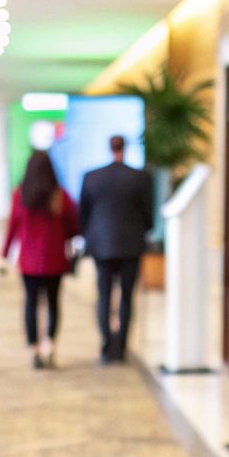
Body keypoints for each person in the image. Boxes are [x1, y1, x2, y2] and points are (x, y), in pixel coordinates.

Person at [78, 135, 154, 364]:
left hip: (102, 245)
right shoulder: (140, 178)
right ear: (125, 148)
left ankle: (106, 346)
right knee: (126, 297)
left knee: (104, 296)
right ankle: (120, 348)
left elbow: (83, 214)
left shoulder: (92, 177)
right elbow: (148, 216)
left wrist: (91, 235)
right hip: (131, 245)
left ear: (109, 148)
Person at [1, 150, 80, 369]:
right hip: (55, 260)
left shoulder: (20, 195)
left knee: (31, 302)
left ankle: (34, 349)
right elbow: (74, 226)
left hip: (29, 262)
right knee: (53, 303)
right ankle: (49, 345)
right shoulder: (60, 196)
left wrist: (4, 254)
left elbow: (12, 226)